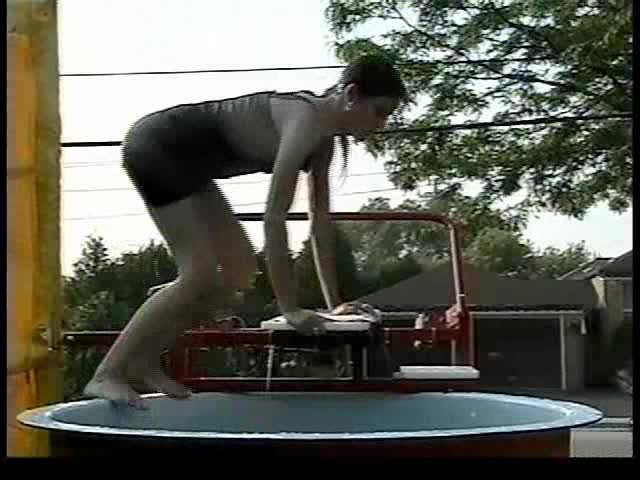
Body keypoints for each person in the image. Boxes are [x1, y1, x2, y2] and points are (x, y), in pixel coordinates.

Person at [83, 55, 409, 408]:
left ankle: (144, 362)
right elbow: (274, 219)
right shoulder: (304, 120)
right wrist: (290, 309)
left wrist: (335, 306)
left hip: (191, 167)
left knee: (239, 270)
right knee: (198, 274)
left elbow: (319, 224)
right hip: (158, 146)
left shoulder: (323, 142)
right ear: (351, 95)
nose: (381, 124)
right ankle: (106, 374)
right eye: (379, 112)